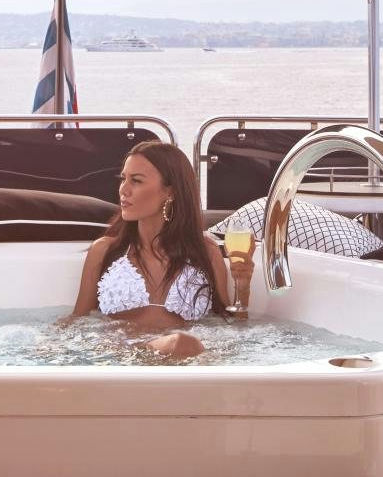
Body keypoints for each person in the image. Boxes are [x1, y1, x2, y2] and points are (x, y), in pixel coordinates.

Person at [71, 141, 252, 358]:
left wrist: (243, 287)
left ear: (171, 192)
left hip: (183, 362)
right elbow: (78, 322)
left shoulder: (206, 252)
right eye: (123, 179)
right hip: (118, 358)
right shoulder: (105, 250)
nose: (123, 190)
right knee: (181, 343)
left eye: (136, 181)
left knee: (182, 343)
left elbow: (231, 329)